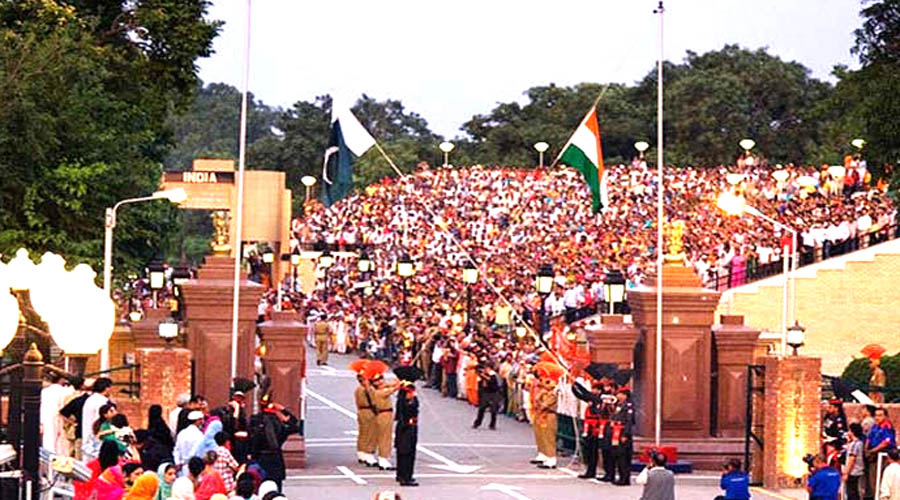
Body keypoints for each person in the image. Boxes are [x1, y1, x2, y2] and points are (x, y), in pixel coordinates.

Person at [249, 397, 298, 491]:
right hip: (275, 460)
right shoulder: (279, 426)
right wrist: (283, 411)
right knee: (276, 488)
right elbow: (295, 426)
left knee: (261, 488)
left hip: (260, 460)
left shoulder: (255, 421)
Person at [571, 379, 611, 480]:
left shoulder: (602, 399)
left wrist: (576, 384)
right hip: (590, 428)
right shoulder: (592, 399)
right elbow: (581, 395)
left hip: (599, 428)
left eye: (595, 389)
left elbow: (585, 393)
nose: (593, 391)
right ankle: (590, 471)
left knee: (604, 451)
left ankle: (607, 473)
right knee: (590, 451)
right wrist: (573, 387)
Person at [369, 373, 400, 471]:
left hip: (385, 414)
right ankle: (383, 459)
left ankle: (383, 458)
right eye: (377, 380)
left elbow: (391, 385)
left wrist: (397, 381)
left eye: (381, 379)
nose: (381, 381)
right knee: (385, 437)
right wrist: (399, 383)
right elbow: (393, 389)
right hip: (384, 414)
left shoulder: (379, 389)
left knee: (385, 436)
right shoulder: (379, 392)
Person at [867, 408, 897, 498]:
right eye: (876, 415)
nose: (877, 418)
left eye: (880, 415)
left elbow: (886, 442)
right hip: (873, 456)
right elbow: (869, 438)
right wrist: (867, 449)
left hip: (883, 456)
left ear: (885, 416)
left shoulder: (887, 427)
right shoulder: (875, 427)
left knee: (881, 480)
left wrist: (873, 450)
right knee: (873, 481)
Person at [41, 372, 73, 455]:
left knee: (48, 439)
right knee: (61, 442)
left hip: (46, 417)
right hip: (60, 417)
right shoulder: (65, 391)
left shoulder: (44, 392)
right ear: (61, 380)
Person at [394, 381, 419, 487]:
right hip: (407, 428)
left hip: (405, 427)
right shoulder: (405, 403)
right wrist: (411, 400)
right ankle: (406, 477)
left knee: (403, 452)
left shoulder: (403, 401)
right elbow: (410, 411)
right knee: (407, 453)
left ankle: (401, 474)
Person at [82, 377, 114, 459]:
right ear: (106, 388)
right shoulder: (102, 402)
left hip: (88, 433)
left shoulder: (90, 399)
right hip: (97, 436)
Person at [60, 377, 90, 460]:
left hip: (72, 426)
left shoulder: (69, 396)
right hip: (75, 426)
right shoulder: (78, 398)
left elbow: (63, 412)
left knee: (72, 449)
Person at [611, 387, 635, 485]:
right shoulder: (618, 405)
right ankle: (621, 476)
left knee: (624, 456)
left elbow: (629, 422)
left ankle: (625, 478)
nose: (618, 396)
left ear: (625, 395)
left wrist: (625, 434)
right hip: (617, 432)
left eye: (620, 394)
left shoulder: (629, 406)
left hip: (624, 433)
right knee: (618, 455)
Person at [354, 372, 378, 467]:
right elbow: (373, 400)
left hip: (361, 412)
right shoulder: (367, 389)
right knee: (371, 433)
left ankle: (361, 452)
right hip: (369, 411)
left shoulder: (358, 389)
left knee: (363, 433)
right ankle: (369, 454)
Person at [174, 411, 205, 476]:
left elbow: (176, 450)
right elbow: (199, 452)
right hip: (194, 468)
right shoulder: (199, 435)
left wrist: (178, 462)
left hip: (182, 468)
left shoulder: (182, 433)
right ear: (197, 421)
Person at [472, 366, 501, 430]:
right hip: (486, 393)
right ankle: (477, 423)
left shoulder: (494, 375)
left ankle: (492, 425)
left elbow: (493, 383)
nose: (485, 370)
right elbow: (480, 383)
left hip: (494, 393)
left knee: (493, 410)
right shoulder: (483, 374)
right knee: (481, 408)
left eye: (487, 368)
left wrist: (484, 376)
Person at [845, 423, 865, 500]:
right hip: (858, 471)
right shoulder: (859, 443)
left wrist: (846, 473)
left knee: (852, 493)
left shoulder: (855, 444)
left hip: (853, 472)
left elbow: (852, 459)